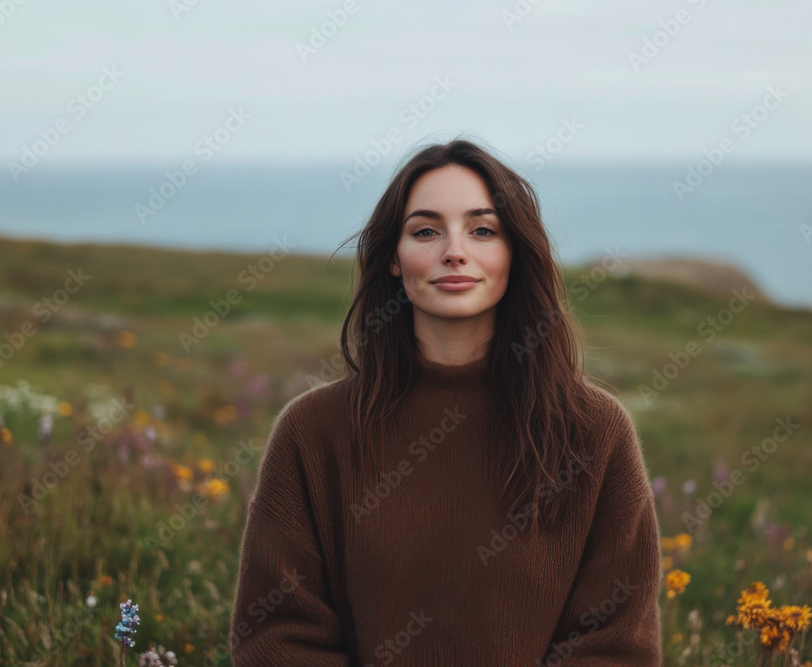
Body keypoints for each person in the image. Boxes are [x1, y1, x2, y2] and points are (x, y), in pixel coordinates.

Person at [229, 138, 662, 665]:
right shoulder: (313, 431)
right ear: (393, 257)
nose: (454, 251)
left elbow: (615, 648)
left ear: (513, 253)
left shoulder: (594, 433)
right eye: (426, 231)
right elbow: (277, 638)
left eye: (482, 230)